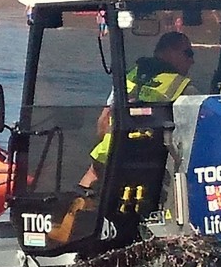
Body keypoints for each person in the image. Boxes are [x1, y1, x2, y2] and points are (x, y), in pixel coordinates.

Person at [77, 32, 198, 193]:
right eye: (188, 53)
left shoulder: (129, 77)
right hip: (150, 164)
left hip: (108, 154)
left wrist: (107, 146)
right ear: (169, 52)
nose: (192, 60)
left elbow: (103, 121)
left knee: (91, 178)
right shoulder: (184, 88)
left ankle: (71, 215)